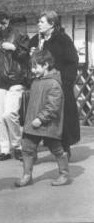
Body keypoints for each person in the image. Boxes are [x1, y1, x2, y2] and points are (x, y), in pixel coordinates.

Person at [28, 11, 80, 159]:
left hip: (59, 85)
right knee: (38, 115)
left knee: (60, 117)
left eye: (42, 22)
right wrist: (31, 55)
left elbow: (72, 61)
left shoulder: (62, 40)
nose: (38, 24)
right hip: (40, 85)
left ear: (52, 24)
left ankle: (64, 149)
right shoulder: (35, 41)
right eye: (38, 21)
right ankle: (32, 151)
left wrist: (66, 82)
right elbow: (30, 63)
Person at [15, 49, 70, 187]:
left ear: (45, 64)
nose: (33, 70)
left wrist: (41, 118)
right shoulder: (37, 81)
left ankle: (64, 174)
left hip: (47, 125)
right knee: (27, 148)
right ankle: (27, 175)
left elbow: (53, 106)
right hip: (33, 124)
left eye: (35, 67)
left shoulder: (53, 83)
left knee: (56, 149)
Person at [0, 6, 30, 162]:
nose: (2, 25)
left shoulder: (19, 35)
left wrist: (14, 49)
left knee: (10, 114)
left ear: (9, 20)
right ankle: (4, 149)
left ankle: (17, 146)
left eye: (5, 21)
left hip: (15, 80)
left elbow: (26, 57)